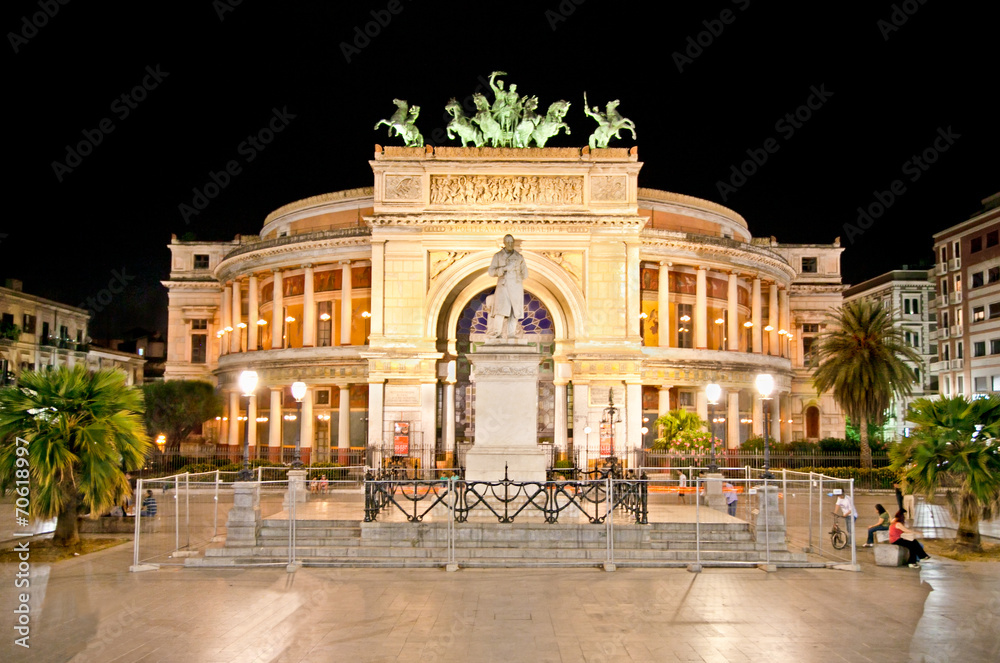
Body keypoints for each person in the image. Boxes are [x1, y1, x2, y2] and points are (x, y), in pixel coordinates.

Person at [487, 234, 528, 340]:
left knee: (514, 311)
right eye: (508, 242)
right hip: (503, 286)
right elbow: (491, 272)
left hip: (516, 286)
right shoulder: (498, 256)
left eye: (511, 242)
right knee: (500, 310)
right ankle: (497, 332)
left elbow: (525, 274)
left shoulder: (519, 257)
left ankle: (511, 333)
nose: (510, 244)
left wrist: (516, 277)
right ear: (504, 243)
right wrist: (505, 268)